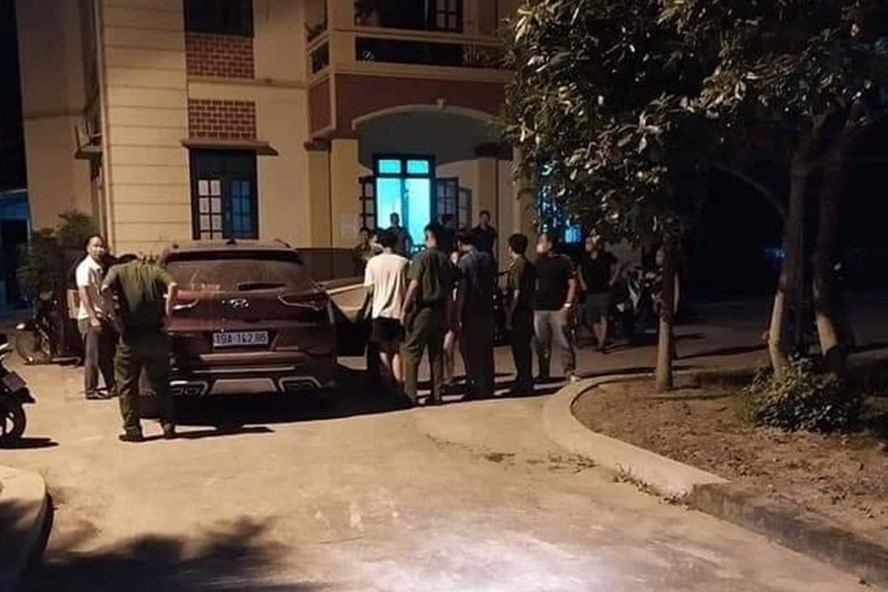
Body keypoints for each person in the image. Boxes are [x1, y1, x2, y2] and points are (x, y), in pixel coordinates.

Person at [101, 255, 179, 443]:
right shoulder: (155, 270)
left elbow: (104, 288)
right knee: (162, 382)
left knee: (127, 384)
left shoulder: (117, 270)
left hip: (131, 337)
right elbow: (173, 285)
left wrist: (113, 316)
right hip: (156, 335)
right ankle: (168, 425)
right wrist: (168, 315)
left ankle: (133, 430)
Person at [400, 223, 458, 406]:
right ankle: (437, 394)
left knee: (412, 351)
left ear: (430, 237)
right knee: (436, 353)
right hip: (440, 310)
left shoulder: (421, 258)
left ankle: (410, 395)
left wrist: (404, 309)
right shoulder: (446, 260)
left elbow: (414, 285)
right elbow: (449, 293)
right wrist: (449, 316)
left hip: (423, 310)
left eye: (426, 236)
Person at [363, 230, 409, 394]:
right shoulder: (404, 262)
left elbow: (369, 289)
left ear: (381, 244)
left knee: (383, 350)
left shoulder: (373, 263)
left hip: (379, 311)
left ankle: (387, 384)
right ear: (395, 243)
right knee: (396, 350)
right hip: (398, 311)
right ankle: (399, 384)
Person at [455, 229, 497, 400]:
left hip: (471, 311)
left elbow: (463, 289)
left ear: (460, 243)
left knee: (472, 351)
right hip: (487, 308)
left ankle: (476, 386)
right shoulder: (487, 258)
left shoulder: (464, 262)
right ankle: (489, 385)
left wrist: (457, 313)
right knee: (487, 350)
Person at [533, 232, 579, 383]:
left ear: (550, 245)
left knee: (564, 341)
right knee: (542, 344)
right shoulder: (537, 262)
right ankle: (543, 373)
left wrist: (567, 305)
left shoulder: (564, 261)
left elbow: (572, 283)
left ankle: (569, 371)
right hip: (540, 308)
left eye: (542, 241)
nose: (539, 244)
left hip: (558, 308)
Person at [75, 234, 117, 400]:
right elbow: (83, 293)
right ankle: (91, 390)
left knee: (106, 354)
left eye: (102, 246)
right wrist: (92, 317)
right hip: (90, 318)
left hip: (102, 316)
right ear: (88, 248)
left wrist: (111, 314)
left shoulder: (100, 267)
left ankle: (113, 386)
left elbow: (105, 293)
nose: (99, 249)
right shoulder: (85, 268)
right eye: (95, 246)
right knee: (93, 356)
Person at [505, 233, 536, 394]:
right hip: (528, 309)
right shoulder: (530, 265)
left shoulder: (516, 266)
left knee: (519, 348)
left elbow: (516, 292)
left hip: (519, 311)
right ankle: (525, 378)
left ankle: (524, 381)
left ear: (512, 248)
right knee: (524, 347)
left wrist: (510, 314)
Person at [579, 233, 618, 352]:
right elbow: (579, 269)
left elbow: (617, 264)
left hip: (603, 290)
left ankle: (601, 343)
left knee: (603, 315)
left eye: (589, 243)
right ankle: (601, 339)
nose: (586, 245)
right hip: (590, 291)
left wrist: (613, 279)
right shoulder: (584, 257)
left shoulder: (605, 256)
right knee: (592, 319)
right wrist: (582, 282)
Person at [442, 248, 461, 392]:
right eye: (453, 259)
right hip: (449, 318)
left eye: (457, 259)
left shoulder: (461, 280)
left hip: (457, 317)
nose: (455, 262)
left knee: (449, 347)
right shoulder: (447, 280)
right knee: (447, 349)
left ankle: (450, 378)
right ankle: (449, 377)